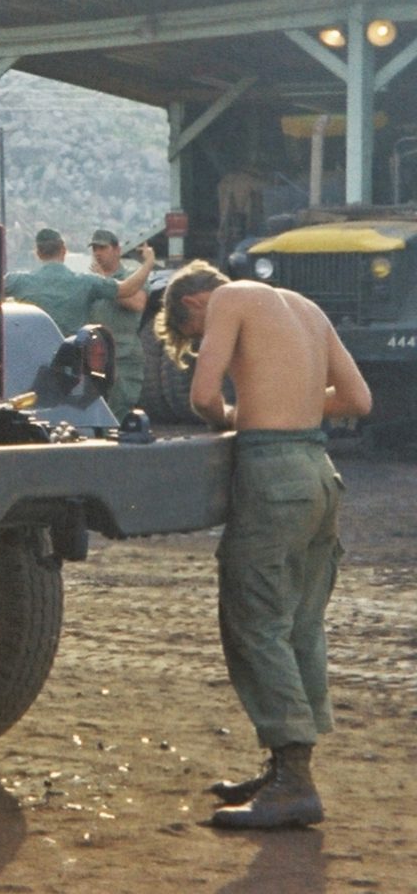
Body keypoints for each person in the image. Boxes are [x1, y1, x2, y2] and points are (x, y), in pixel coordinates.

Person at [156, 260, 372, 831]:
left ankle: (293, 782)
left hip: (272, 474)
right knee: (300, 622)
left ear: (193, 305)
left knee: (255, 620)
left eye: (195, 336)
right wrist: (284, 404)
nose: (204, 340)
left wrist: (230, 413)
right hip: (319, 473)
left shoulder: (230, 301)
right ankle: (286, 767)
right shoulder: (306, 308)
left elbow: (204, 394)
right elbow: (357, 399)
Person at [6, 227, 153, 339]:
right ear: (64, 250)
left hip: (32, 359)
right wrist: (148, 264)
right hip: (72, 363)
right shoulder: (86, 282)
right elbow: (128, 288)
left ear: (37, 253)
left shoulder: (17, 281)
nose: (97, 253)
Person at [85, 228, 150, 421]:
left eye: (103, 248)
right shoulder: (90, 281)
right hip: (96, 353)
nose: (97, 253)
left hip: (124, 355)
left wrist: (106, 282)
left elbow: (138, 303)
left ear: (117, 250)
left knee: (120, 408)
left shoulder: (132, 277)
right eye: (95, 248)